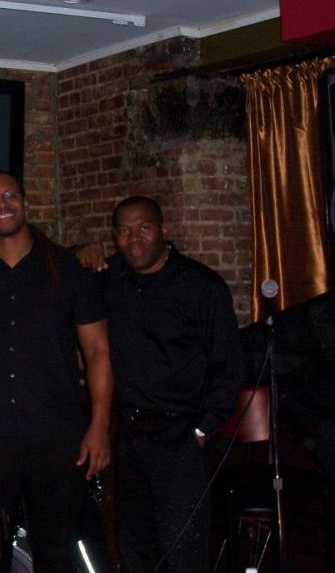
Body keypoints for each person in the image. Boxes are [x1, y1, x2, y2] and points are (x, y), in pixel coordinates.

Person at [0, 171, 115, 572]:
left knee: (59, 554)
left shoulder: (67, 269)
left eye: (10, 195)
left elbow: (98, 351)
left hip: (57, 440)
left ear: (24, 201)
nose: (2, 204)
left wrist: (99, 425)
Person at [77, 196, 245, 573]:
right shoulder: (112, 278)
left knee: (182, 551)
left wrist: (201, 431)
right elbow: (66, 270)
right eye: (123, 231)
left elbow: (230, 367)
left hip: (181, 436)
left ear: (164, 230)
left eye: (144, 228)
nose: (134, 239)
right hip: (132, 433)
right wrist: (80, 251)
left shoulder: (201, 287)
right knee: (135, 546)